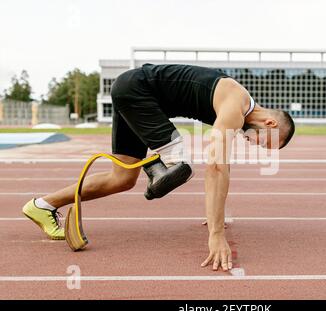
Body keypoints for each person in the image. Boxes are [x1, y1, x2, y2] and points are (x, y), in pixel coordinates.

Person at [22, 63, 295, 271]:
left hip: (134, 94)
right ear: (269, 125)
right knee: (181, 163)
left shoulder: (239, 109)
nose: (255, 145)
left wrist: (217, 216)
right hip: (137, 90)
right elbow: (216, 167)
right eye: (263, 143)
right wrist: (216, 234)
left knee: (122, 178)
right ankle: (156, 171)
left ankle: (42, 205)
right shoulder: (237, 103)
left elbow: (224, 167)